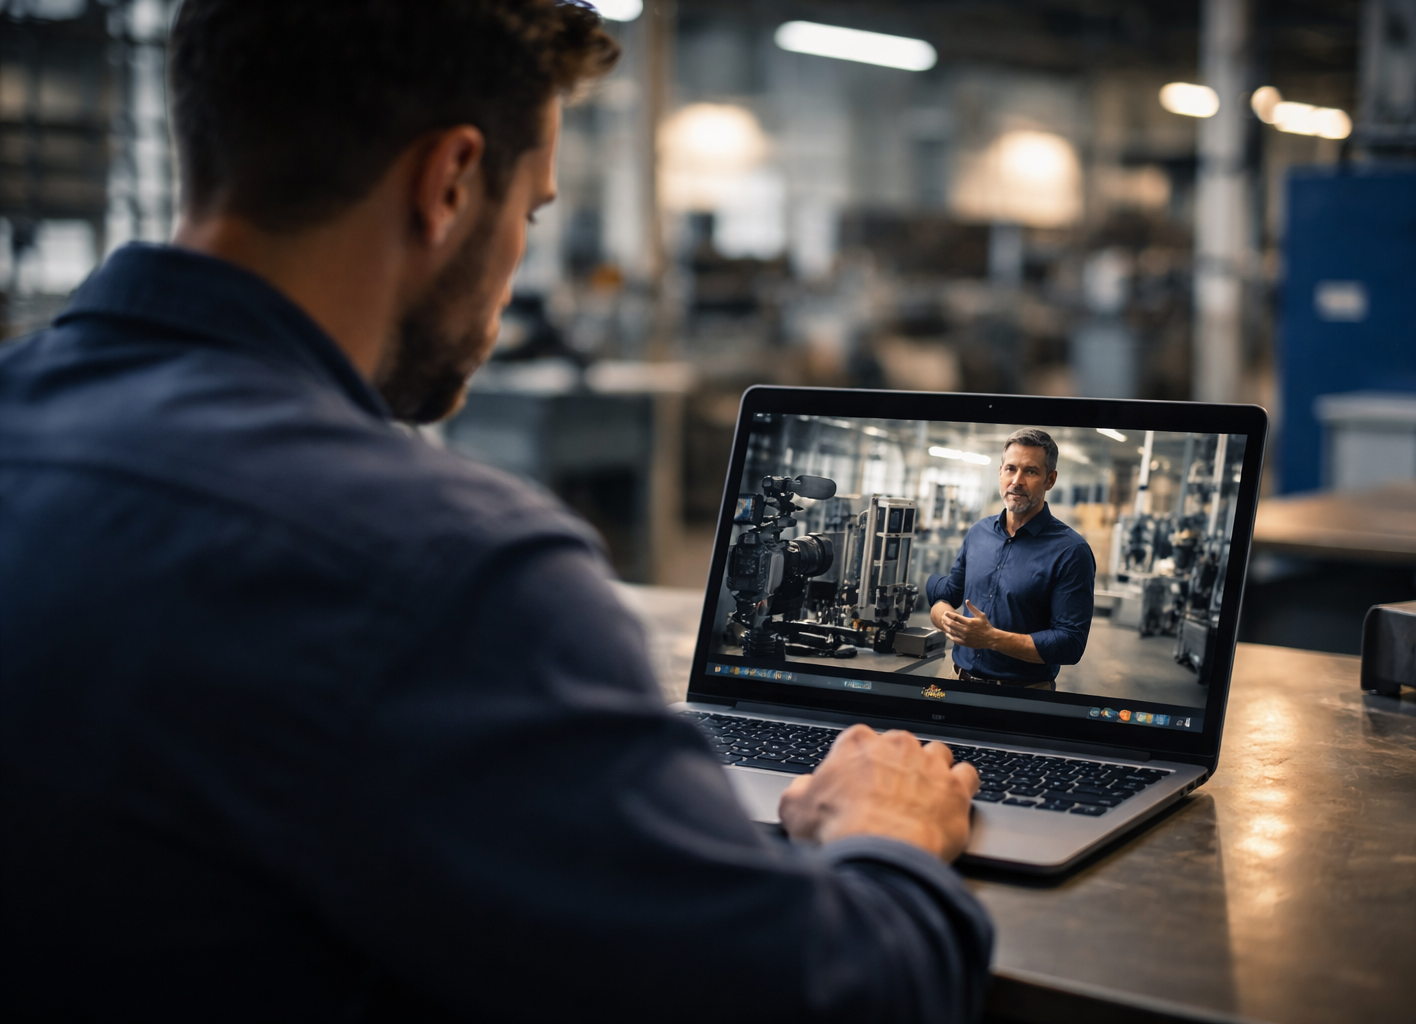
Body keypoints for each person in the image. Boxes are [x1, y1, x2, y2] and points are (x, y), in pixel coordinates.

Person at [0, 2, 991, 1021]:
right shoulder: (446, 571)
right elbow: (833, 996)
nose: (518, 261)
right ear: (451, 183)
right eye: (532, 212)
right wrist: (890, 832)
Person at [927, 428, 1096, 691]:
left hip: (1022, 697)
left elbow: (1069, 643)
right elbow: (948, 594)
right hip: (957, 683)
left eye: (1030, 471)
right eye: (1010, 469)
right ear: (1000, 472)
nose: (1017, 480)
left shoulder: (1071, 551)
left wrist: (991, 638)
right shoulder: (978, 533)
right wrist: (946, 619)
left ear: (1050, 480)